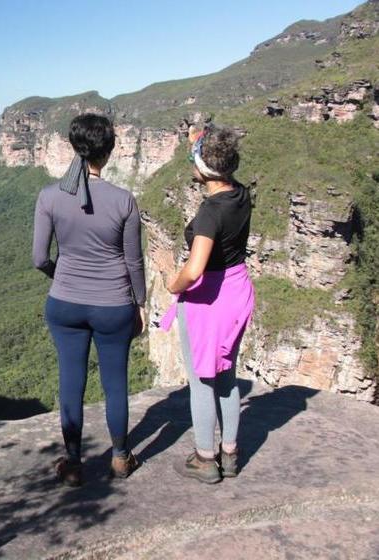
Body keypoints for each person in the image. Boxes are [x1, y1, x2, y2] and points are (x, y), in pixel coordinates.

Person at [32, 113, 147, 486]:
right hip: (114, 304)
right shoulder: (124, 200)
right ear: (109, 151)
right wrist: (140, 303)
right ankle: (119, 458)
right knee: (116, 382)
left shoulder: (49, 196)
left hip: (64, 303)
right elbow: (133, 260)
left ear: (73, 147)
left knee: (71, 381)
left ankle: (73, 462)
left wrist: (61, 276)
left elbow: (39, 259)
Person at [160, 123, 255, 484]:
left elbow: (195, 268)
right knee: (227, 374)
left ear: (203, 169)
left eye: (193, 160)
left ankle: (205, 458)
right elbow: (211, 161)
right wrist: (197, 142)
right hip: (237, 290)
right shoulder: (240, 193)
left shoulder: (209, 214)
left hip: (208, 299)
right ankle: (230, 454)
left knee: (202, 380)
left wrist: (174, 284)